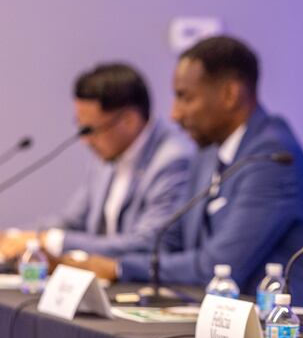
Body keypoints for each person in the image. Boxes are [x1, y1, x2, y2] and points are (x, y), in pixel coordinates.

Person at [62, 36, 303, 315]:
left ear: (229, 95)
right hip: (230, 317)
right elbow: (169, 239)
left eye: (185, 97)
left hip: (297, 328)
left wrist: (118, 267)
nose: (174, 114)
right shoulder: (208, 151)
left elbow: (219, 265)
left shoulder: (272, 157)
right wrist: (95, 259)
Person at [0, 63, 193, 260]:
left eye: (90, 130)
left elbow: (148, 243)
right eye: (80, 128)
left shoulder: (172, 160)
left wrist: (50, 241)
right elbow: (72, 221)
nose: (85, 141)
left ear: (129, 120)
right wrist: (14, 237)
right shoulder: (108, 155)